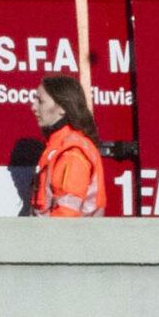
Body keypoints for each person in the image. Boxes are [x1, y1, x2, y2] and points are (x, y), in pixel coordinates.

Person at [29, 75, 103, 217]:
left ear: (62, 108)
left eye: (41, 101)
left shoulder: (71, 153)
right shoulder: (59, 146)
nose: (33, 106)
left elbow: (65, 220)